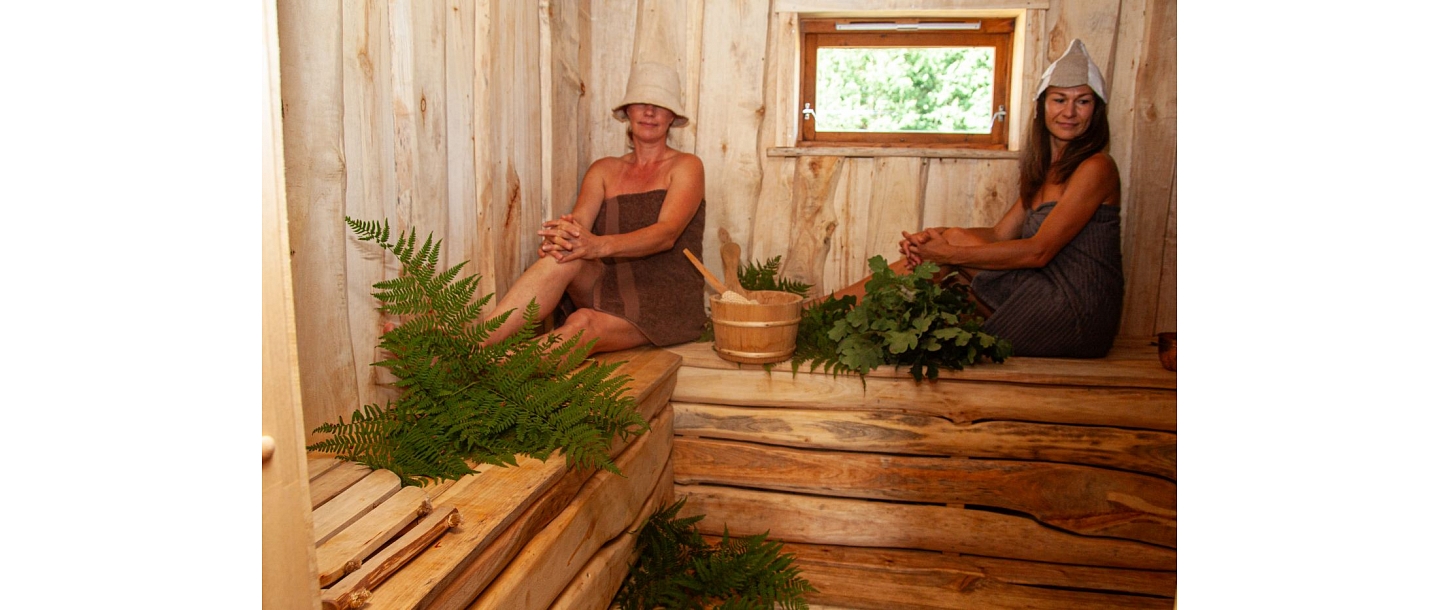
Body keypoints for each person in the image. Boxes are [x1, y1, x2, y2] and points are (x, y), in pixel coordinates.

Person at [836, 39, 1123, 358]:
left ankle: (825, 310)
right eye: (1059, 100)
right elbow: (1000, 234)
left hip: (1076, 313)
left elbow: (1038, 251)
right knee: (949, 277)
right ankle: (838, 317)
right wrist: (934, 237)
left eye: (1082, 101)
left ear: (1096, 111)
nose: (1069, 112)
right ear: (1042, 106)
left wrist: (948, 252)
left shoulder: (1097, 167)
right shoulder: (1043, 170)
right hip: (1044, 298)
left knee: (953, 252)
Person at [480, 61, 707, 356]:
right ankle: (471, 346)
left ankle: (491, 369)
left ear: (672, 116)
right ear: (627, 112)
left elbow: (666, 234)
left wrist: (596, 246)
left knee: (583, 322)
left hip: (664, 298)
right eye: (641, 103)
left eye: (659, 105)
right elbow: (578, 227)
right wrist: (560, 239)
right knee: (562, 256)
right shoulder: (603, 170)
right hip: (610, 286)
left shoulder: (686, 166)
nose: (649, 112)